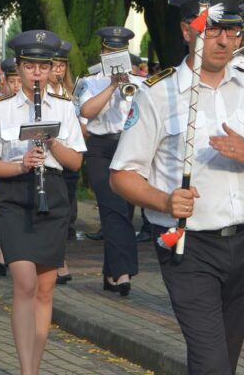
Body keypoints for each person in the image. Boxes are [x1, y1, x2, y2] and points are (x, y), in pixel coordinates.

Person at [110, 0, 244, 375]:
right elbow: (121, 175)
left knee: (225, 359)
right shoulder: (158, 94)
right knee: (212, 363)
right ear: (188, 30)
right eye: (212, 29)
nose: (223, 40)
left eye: (232, 30)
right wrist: (164, 201)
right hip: (188, 246)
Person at [0, 29, 86, 375]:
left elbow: (76, 162)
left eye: (43, 66)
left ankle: (34, 367)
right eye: (29, 66)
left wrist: (50, 142)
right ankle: (26, 370)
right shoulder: (1, 109)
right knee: (24, 281)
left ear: (52, 68)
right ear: (19, 68)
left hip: (51, 195)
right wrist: (19, 164)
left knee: (45, 289)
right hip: (13, 196)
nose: (37, 73)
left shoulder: (65, 108)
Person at [79, 26, 143, 296]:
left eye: (121, 53)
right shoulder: (90, 82)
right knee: (113, 208)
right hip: (100, 149)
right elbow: (86, 111)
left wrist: (127, 83)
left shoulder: (140, 84)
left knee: (123, 212)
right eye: (111, 52)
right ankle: (124, 272)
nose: (116, 57)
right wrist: (113, 85)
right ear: (103, 53)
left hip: (128, 148)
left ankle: (110, 273)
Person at [48, 40, 81, 282]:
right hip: (48, 160)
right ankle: (58, 262)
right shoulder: (40, 94)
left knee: (64, 212)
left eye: (62, 66)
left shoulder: (70, 93)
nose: (58, 70)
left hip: (68, 157)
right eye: (54, 65)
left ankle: (59, 258)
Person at [0, 57, 22, 275]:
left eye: (18, 81)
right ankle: (3, 252)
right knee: (6, 210)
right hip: (3, 164)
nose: (16, 86)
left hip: (25, 164)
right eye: (12, 81)